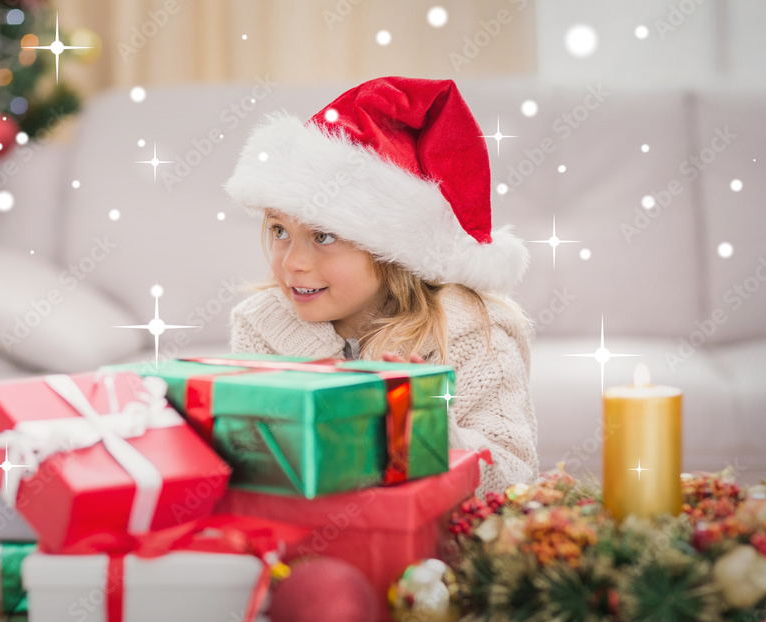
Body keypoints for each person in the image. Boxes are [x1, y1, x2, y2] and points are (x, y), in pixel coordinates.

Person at [222, 76, 538, 495]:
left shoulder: (470, 332)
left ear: (391, 252)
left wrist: (427, 429)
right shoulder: (262, 325)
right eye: (280, 231)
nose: (292, 263)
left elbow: (513, 477)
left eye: (324, 236)